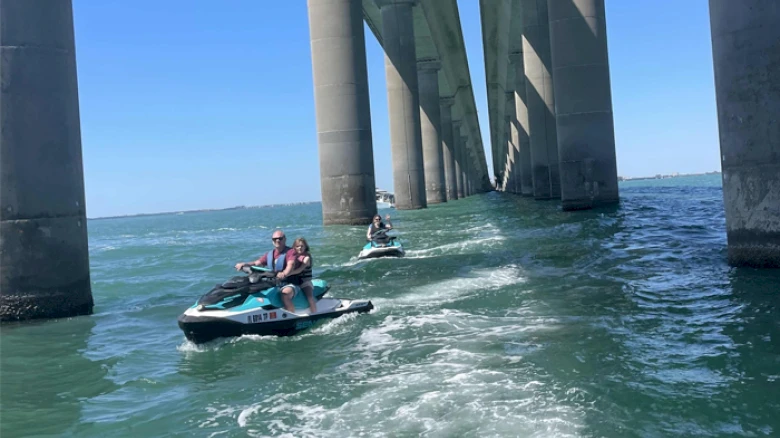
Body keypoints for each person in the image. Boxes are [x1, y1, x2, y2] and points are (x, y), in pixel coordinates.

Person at [234, 229, 298, 313]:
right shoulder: (270, 254)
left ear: (285, 239)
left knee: (285, 294)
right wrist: (244, 264)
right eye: (274, 239)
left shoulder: (291, 252)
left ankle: (291, 315)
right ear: (272, 241)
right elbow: (257, 263)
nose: (277, 240)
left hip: (290, 283)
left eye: (280, 238)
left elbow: (291, 265)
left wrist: (284, 273)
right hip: (274, 282)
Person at [286, 237, 317, 314]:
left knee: (309, 297)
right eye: (297, 246)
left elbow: (299, 270)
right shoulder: (293, 256)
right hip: (295, 281)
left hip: (305, 282)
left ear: (305, 247)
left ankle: (314, 313)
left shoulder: (306, 258)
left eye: (302, 246)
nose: (300, 248)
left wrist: (287, 273)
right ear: (294, 247)